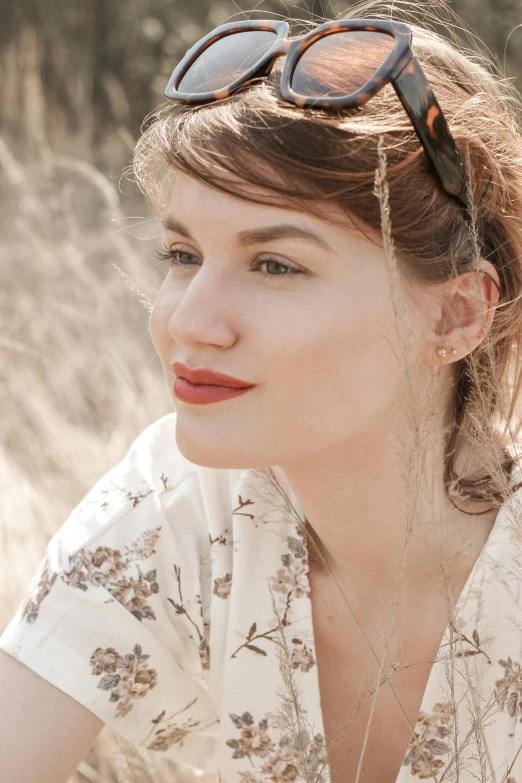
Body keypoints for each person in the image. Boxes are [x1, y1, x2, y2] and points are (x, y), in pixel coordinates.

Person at [3, 2, 522, 782]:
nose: (188, 321)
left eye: (276, 264)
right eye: (182, 253)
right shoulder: (179, 513)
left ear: (455, 313)